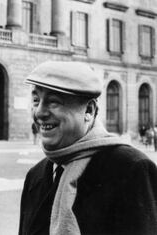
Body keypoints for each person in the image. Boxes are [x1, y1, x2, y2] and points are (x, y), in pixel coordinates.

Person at [19, 61, 157, 235]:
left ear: (89, 110)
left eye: (53, 102)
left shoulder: (131, 169)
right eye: (36, 100)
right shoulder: (35, 176)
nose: (39, 112)